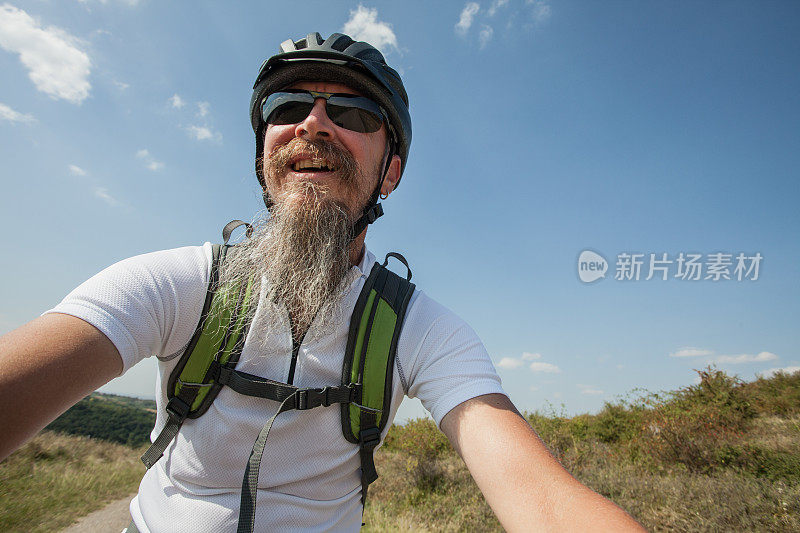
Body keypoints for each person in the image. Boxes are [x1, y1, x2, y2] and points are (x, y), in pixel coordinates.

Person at [0, 32, 644, 532]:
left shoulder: (420, 331)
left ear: (389, 174)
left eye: (356, 113)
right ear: (264, 154)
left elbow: (536, 491)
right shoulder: (179, 283)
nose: (313, 123)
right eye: (287, 107)